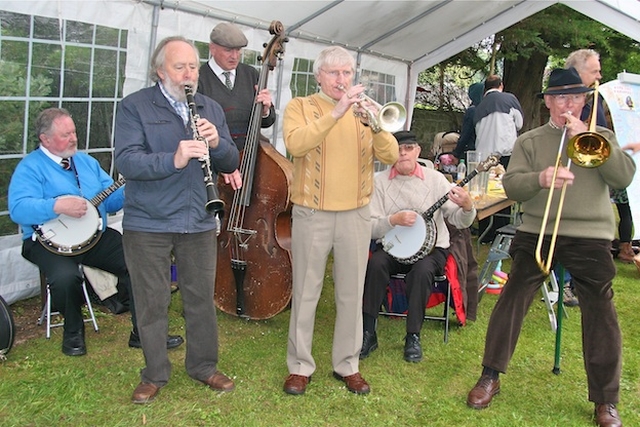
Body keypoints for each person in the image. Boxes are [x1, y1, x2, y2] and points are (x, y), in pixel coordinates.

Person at [466, 67, 634, 427]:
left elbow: (623, 178)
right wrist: (540, 179)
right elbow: (511, 186)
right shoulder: (530, 140)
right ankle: (490, 375)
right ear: (548, 103)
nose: (567, 105)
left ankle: (606, 400)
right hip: (538, 229)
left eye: (574, 98)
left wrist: (588, 138)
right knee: (514, 294)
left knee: (600, 307)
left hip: (590, 235)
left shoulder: (602, 136)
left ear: (585, 101)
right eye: (559, 98)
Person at [114, 36, 240, 404]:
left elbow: (230, 163)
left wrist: (218, 144)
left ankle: (203, 366)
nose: (188, 74)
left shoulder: (210, 107)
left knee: (200, 298)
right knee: (152, 301)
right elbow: (127, 161)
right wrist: (175, 157)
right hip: (148, 222)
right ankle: (154, 373)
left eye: (193, 67)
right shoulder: (135, 107)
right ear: (160, 70)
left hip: (199, 218)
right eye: (179, 67)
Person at [7, 108, 183, 356]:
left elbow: (110, 202)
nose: (73, 138)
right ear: (45, 139)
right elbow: (18, 209)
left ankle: (144, 333)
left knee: (139, 263)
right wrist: (56, 206)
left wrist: (133, 185)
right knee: (66, 278)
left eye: (73, 132)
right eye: (65, 134)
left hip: (94, 238)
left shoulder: (86, 163)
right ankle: (73, 332)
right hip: (46, 243)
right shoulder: (31, 167)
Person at [282, 46, 399, 396]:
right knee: (306, 292)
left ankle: (348, 364)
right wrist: (336, 112)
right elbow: (296, 144)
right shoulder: (300, 107)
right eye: (334, 73)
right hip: (312, 213)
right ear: (319, 76)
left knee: (351, 292)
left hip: (356, 214)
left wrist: (375, 125)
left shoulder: (365, 113)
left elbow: (391, 154)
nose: (342, 80)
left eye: (347, 73)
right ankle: (300, 366)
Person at [360, 130, 476, 362]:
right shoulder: (379, 182)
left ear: (418, 152)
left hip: (433, 249)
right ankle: (367, 332)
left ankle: (413, 335)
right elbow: (368, 227)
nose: (403, 154)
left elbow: (458, 220)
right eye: (398, 150)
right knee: (376, 265)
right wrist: (392, 221)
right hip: (393, 247)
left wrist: (467, 206)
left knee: (422, 272)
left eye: (409, 149)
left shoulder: (436, 180)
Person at [566, 48, 636, 266]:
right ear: (578, 73)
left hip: (594, 177)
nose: (599, 77)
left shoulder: (593, 101)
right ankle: (567, 280)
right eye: (595, 72)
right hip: (574, 178)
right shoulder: (569, 101)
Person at [198, 21, 276, 191]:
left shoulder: (251, 74)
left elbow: (268, 121)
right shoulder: (199, 78)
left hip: (251, 163)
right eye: (228, 50)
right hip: (215, 165)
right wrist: (225, 161)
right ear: (212, 48)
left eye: (238, 50)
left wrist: (265, 110)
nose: (234, 56)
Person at [474, 75, 524, 243]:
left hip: (484, 155)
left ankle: (486, 233)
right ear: (501, 85)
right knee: (504, 192)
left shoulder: (478, 106)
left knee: (485, 194)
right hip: (505, 152)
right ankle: (503, 229)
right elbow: (519, 123)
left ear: (485, 89)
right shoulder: (510, 99)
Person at [452, 82, 484, 160]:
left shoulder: (472, 111)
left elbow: (466, 134)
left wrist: (456, 153)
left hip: (471, 151)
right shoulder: (487, 109)